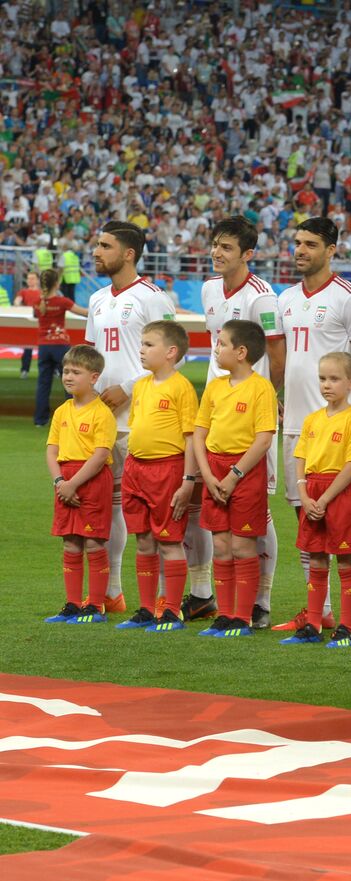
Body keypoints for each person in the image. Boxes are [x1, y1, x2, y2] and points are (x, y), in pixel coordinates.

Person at [274, 217, 351, 634]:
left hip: (337, 430)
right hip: (296, 423)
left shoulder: (349, 299)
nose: (300, 250)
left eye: (310, 244)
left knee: (346, 528)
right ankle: (320, 611)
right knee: (305, 520)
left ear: (331, 250)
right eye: (297, 243)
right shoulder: (286, 298)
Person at [85, 221, 177, 615]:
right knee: (110, 504)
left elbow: (175, 356)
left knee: (149, 508)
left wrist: (127, 386)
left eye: (105, 246)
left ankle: (159, 596)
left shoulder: (153, 298)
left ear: (128, 253)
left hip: (143, 415)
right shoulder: (97, 298)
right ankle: (114, 591)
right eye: (97, 244)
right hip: (102, 417)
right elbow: (91, 355)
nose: (96, 251)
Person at [200, 217, 286, 629]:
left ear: (247, 254)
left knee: (256, 516)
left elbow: (275, 349)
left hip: (251, 409)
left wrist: (274, 394)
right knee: (219, 520)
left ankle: (260, 601)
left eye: (227, 247)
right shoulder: (208, 289)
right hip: (217, 409)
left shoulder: (262, 297)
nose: (218, 253)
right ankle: (221, 601)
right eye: (216, 245)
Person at [192, 319, 277, 638]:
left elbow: (264, 438)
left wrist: (234, 475)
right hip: (214, 470)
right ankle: (225, 615)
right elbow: (200, 433)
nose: (216, 348)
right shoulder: (214, 387)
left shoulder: (261, 388)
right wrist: (208, 474)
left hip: (245, 473)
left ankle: (242, 616)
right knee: (222, 546)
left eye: (222, 343)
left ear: (241, 352)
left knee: (242, 546)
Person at [117, 320, 198, 633]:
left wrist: (188, 480)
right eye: (142, 343)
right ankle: (147, 610)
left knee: (169, 541)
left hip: (167, 469)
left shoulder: (181, 388)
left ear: (171, 352)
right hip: (135, 469)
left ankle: (172, 612)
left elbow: (191, 437)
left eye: (149, 344)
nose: (141, 349)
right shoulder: (141, 386)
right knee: (143, 540)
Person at [286, 351, 351, 649]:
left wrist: (325, 498)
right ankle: (314, 624)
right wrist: (304, 495)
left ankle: (347, 626)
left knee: (346, 559)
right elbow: (301, 458)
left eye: (334, 379)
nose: (327, 385)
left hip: (339, 493)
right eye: (322, 378)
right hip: (313, 493)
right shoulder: (312, 420)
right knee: (317, 557)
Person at [44, 345, 116, 625]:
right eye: (66, 371)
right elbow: (51, 449)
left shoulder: (102, 413)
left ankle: (95, 606)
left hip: (91, 480)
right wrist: (60, 481)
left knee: (94, 543)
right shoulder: (62, 411)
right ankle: (73, 604)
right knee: (70, 543)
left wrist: (73, 483)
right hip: (66, 480)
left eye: (76, 372)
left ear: (94, 377)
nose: (68, 376)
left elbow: (100, 455)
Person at [30, 268, 86, 427]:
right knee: (70, 381)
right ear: (57, 283)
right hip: (60, 346)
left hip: (43, 346)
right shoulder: (62, 302)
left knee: (43, 383)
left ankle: (40, 420)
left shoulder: (37, 302)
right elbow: (84, 313)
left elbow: (36, 315)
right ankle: (71, 417)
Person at [15, 271, 42, 378]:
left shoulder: (42, 293)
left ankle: (52, 371)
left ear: (37, 280)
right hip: (29, 324)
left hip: (41, 324)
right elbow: (17, 301)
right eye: (29, 278)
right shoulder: (23, 292)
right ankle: (25, 370)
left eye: (32, 278)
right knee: (27, 349)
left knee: (45, 350)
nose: (30, 280)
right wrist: (18, 305)